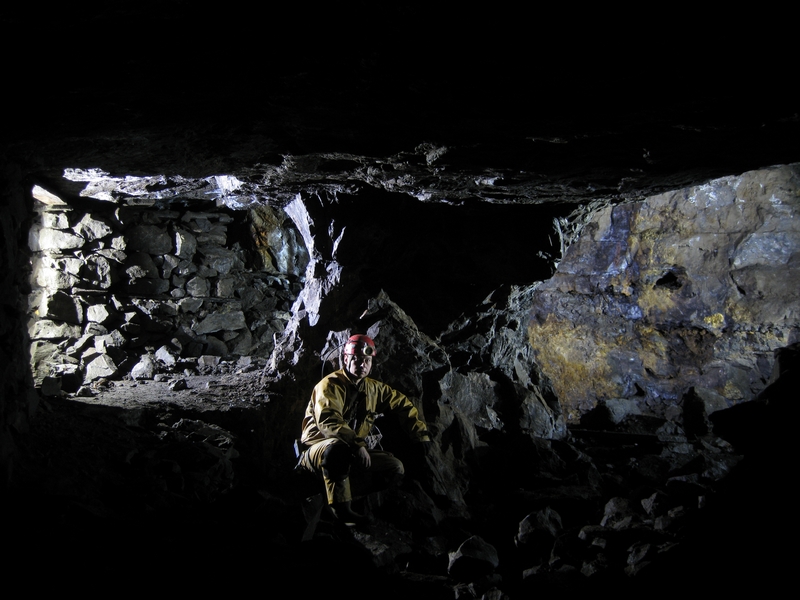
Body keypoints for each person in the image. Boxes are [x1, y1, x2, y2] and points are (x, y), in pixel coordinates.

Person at [298, 334, 430, 525]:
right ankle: (341, 510)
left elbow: (403, 404)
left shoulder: (373, 389)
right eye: (357, 359)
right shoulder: (329, 385)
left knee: (395, 468)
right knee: (338, 448)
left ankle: (344, 495)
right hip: (318, 451)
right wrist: (357, 444)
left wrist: (420, 434)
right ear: (345, 359)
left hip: (350, 452)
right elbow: (329, 421)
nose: (362, 365)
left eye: (367, 360)